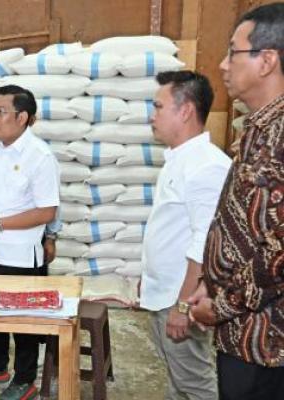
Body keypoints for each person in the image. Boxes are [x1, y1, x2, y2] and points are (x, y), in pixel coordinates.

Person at [188, 3, 284, 399]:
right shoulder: (257, 129)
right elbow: (240, 224)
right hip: (243, 333)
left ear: (267, 61)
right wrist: (209, 285)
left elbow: (278, 250)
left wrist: (222, 305)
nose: (223, 65)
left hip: (267, 343)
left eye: (233, 52)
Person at [139, 70, 231, 399]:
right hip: (165, 294)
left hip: (181, 298)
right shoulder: (179, 159)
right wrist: (149, 279)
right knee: (179, 382)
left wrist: (182, 306)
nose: (152, 116)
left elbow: (205, 244)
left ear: (186, 110)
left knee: (195, 385)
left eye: (158, 106)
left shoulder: (206, 166)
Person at [0, 84, 60, 400]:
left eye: (0, 111)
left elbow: (47, 211)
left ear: (22, 117)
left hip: (20, 256)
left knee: (23, 321)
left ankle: (24, 378)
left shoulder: (40, 156)